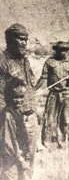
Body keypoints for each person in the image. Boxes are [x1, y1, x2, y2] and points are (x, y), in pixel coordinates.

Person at [0, 23, 38, 179]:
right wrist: (6, 116)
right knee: (12, 160)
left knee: (29, 160)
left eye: (26, 39)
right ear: (9, 39)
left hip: (30, 117)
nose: (24, 43)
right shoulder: (2, 61)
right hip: (12, 118)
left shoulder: (25, 60)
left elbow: (30, 87)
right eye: (20, 39)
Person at [35, 41, 69, 148]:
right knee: (50, 118)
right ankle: (49, 142)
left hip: (66, 94)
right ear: (56, 51)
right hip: (53, 94)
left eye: (65, 50)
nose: (63, 53)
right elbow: (43, 77)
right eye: (61, 50)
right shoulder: (49, 62)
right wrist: (33, 89)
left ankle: (64, 141)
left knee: (65, 118)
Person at [0, 85, 31, 180]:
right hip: (12, 160)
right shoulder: (8, 115)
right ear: (8, 97)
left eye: (21, 97)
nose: (19, 100)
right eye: (15, 97)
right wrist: (20, 159)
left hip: (19, 158)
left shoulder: (17, 112)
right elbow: (9, 142)